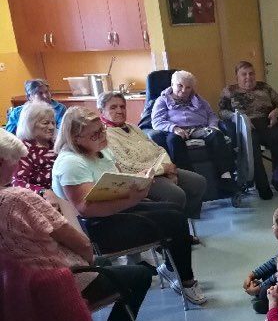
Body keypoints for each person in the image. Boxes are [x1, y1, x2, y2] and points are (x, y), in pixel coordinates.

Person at [0, 129, 153, 321]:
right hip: (58, 285)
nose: (17, 167)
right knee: (141, 274)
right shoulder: (19, 198)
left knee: (105, 266)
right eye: (14, 161)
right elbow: (80, 243)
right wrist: (88, 258)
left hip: (16, 296)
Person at [51, 106, 207, 306]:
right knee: (174, 220)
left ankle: (172, 269)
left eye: (102, 130)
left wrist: (138, 181)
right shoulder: (70, 163)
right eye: (95, 134)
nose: (102, 136)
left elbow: (117, 180)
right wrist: (133, 198)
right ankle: (185, 280)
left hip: (118, 211)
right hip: (98, 228)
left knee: (175, 211)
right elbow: (86, 208)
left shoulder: (100, 150)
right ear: (76, 138)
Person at [99, 91, 207, 221]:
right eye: (113, 107)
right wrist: (162, 169)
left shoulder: (133, 128)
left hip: (161, 169)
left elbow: (158, 149)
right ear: (102, 111)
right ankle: (172, 227)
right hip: (143, 178)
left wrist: (169, 168)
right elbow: (127, 166)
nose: (119, 111)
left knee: (198, 182)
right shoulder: (105, 135)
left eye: (122, 107)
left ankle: (187, 220)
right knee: (176, 195)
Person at [150, 70, 236, 188]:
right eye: (180, 85)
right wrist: (174, 128)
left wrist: (212, 126)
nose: (184, 90)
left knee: (216, 135)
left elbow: (211, 115)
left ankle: (225, 175)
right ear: (172, 84)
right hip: (177, 130)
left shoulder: (199, 100)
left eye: (188, 87)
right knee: (173, 140)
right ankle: (189, 178)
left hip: (199, 128)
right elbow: (156, 121)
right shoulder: (162, 100)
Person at [219, 60, 278, 198]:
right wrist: (237, 118)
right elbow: (222, 112)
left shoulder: (264, 87)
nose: (248, 77)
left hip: (267, 121)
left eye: (251, 73)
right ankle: (263, 187)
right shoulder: (229, 91)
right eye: (244, 74)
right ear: (237, 76)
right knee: (252, 147)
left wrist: (276, 112)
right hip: (245, 126)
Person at [11, 101, 58, 206]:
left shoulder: (56, 144)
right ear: (30, 124)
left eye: (53, 123)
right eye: (45, 123)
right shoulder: (23, 149)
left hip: (64, 197)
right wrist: (42, 192)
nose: (51, 127)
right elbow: (17, 183)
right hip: (40, 202)